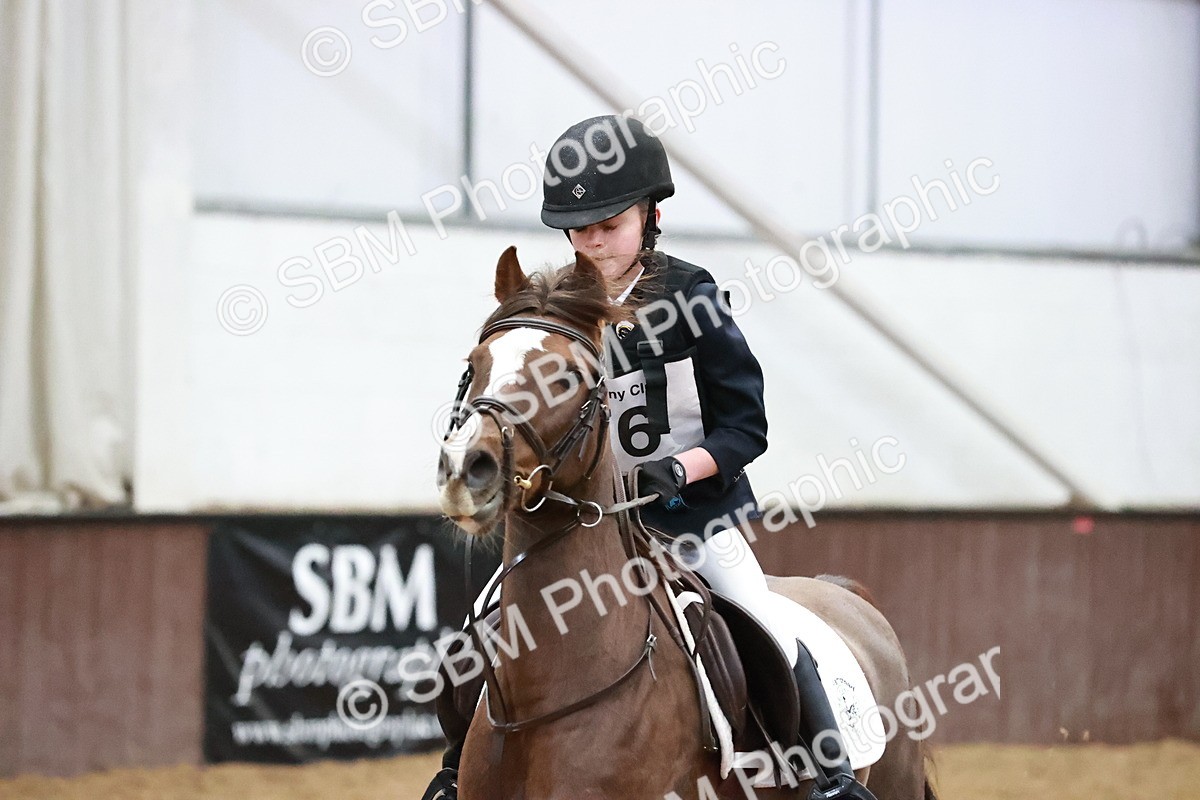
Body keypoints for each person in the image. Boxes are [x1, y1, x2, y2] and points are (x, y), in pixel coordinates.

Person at [421, 115, 874, 800]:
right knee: (482, 629)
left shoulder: (688, 297)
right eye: (580, 230)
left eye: (610, 225)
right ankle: (458, 771)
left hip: (688, 518)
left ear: (651, 216)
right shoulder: (556, 314)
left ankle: (829, 779)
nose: (594, 242)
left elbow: (746, 427)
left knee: (764, 624)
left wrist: (684, 470)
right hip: (585, 522)